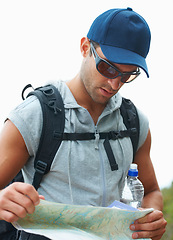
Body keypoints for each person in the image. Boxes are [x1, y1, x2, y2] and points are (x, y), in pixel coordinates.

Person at [0, 7, 167, 240]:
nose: (114, 83)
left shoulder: (135, 122)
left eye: (128, 75)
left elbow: (152, 192)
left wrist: (151, 219)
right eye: (107, 67)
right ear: (85, 47)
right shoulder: (34, 115)